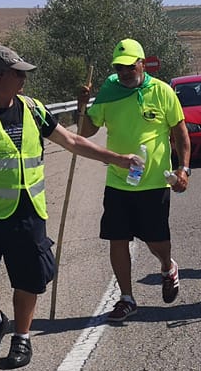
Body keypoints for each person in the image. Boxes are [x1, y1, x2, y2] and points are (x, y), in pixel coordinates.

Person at [0, 46, 137, 366]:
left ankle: (22, 337)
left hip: (28, 210)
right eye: (18, 73)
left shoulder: (33, 110)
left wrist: (118, 159)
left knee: (28, 279)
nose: (24, 79)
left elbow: (72, 142)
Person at [77, 38, 191, 324]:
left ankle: (167, 266)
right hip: (118, 181)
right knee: (118, 238)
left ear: (142, 63)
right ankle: (127, 298)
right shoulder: (109, 91)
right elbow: (86, 130)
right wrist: (82, 107)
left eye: (130, 66)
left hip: (154, 183)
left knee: (157, 242)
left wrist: (184, 169)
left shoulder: (162, 91)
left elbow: (180, 133)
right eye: (119, 67)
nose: (125, 72)